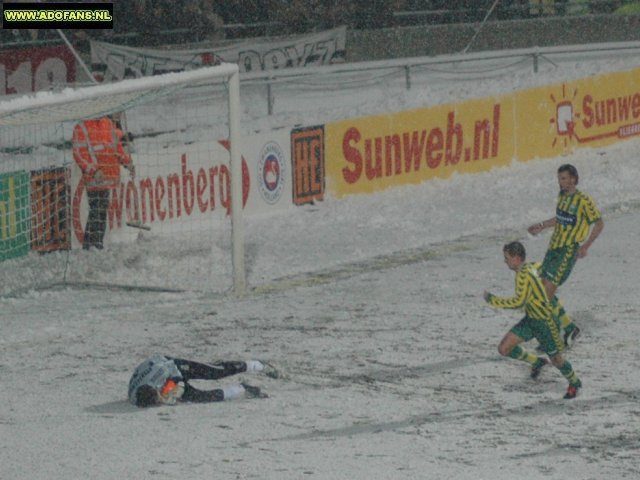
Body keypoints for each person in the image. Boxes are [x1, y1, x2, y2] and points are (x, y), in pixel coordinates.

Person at [484, 241, 582, 399]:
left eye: (507, 258)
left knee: (557, 360)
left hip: (545, 324)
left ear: (517, 258)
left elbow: (518, 302)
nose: (505, 261)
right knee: (504, 348)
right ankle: (537, 362)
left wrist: (493, 300)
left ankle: (574, 382)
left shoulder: (524, 275)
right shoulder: (530, 266)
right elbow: (544, 267)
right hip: (531, 320)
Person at [527, 163, 604, 347]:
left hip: (567, 252)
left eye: (563, 178)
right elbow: (560, 218)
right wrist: (542, 225)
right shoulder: (561, 196)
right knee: (542, 292)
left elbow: (599, 223)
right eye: (559, 179)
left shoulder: (584, 201)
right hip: (553, 248)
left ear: (573, 179)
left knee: (545, 295)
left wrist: (585, 246)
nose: (560, 182)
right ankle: (569, 328)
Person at [72, 114, 135, 250]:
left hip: (106, 176)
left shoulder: (107, 123)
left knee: (101, 210)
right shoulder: (82, 127)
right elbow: (79, 154)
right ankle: (91, 245)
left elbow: (116, 148)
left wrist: (127, 162)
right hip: (95, 177)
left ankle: (95, 245)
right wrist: (93, 170)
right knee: (97, 209)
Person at [128, 355, 279, 407]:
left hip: (172, 365)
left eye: (157, 398)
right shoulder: (135, 398)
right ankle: (243, 389)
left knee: (215, 372)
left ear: (155, 388)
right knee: (200, 397)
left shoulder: (158, 374)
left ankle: (257, 365)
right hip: (164, 378)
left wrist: (172, 388)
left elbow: (176, 377)